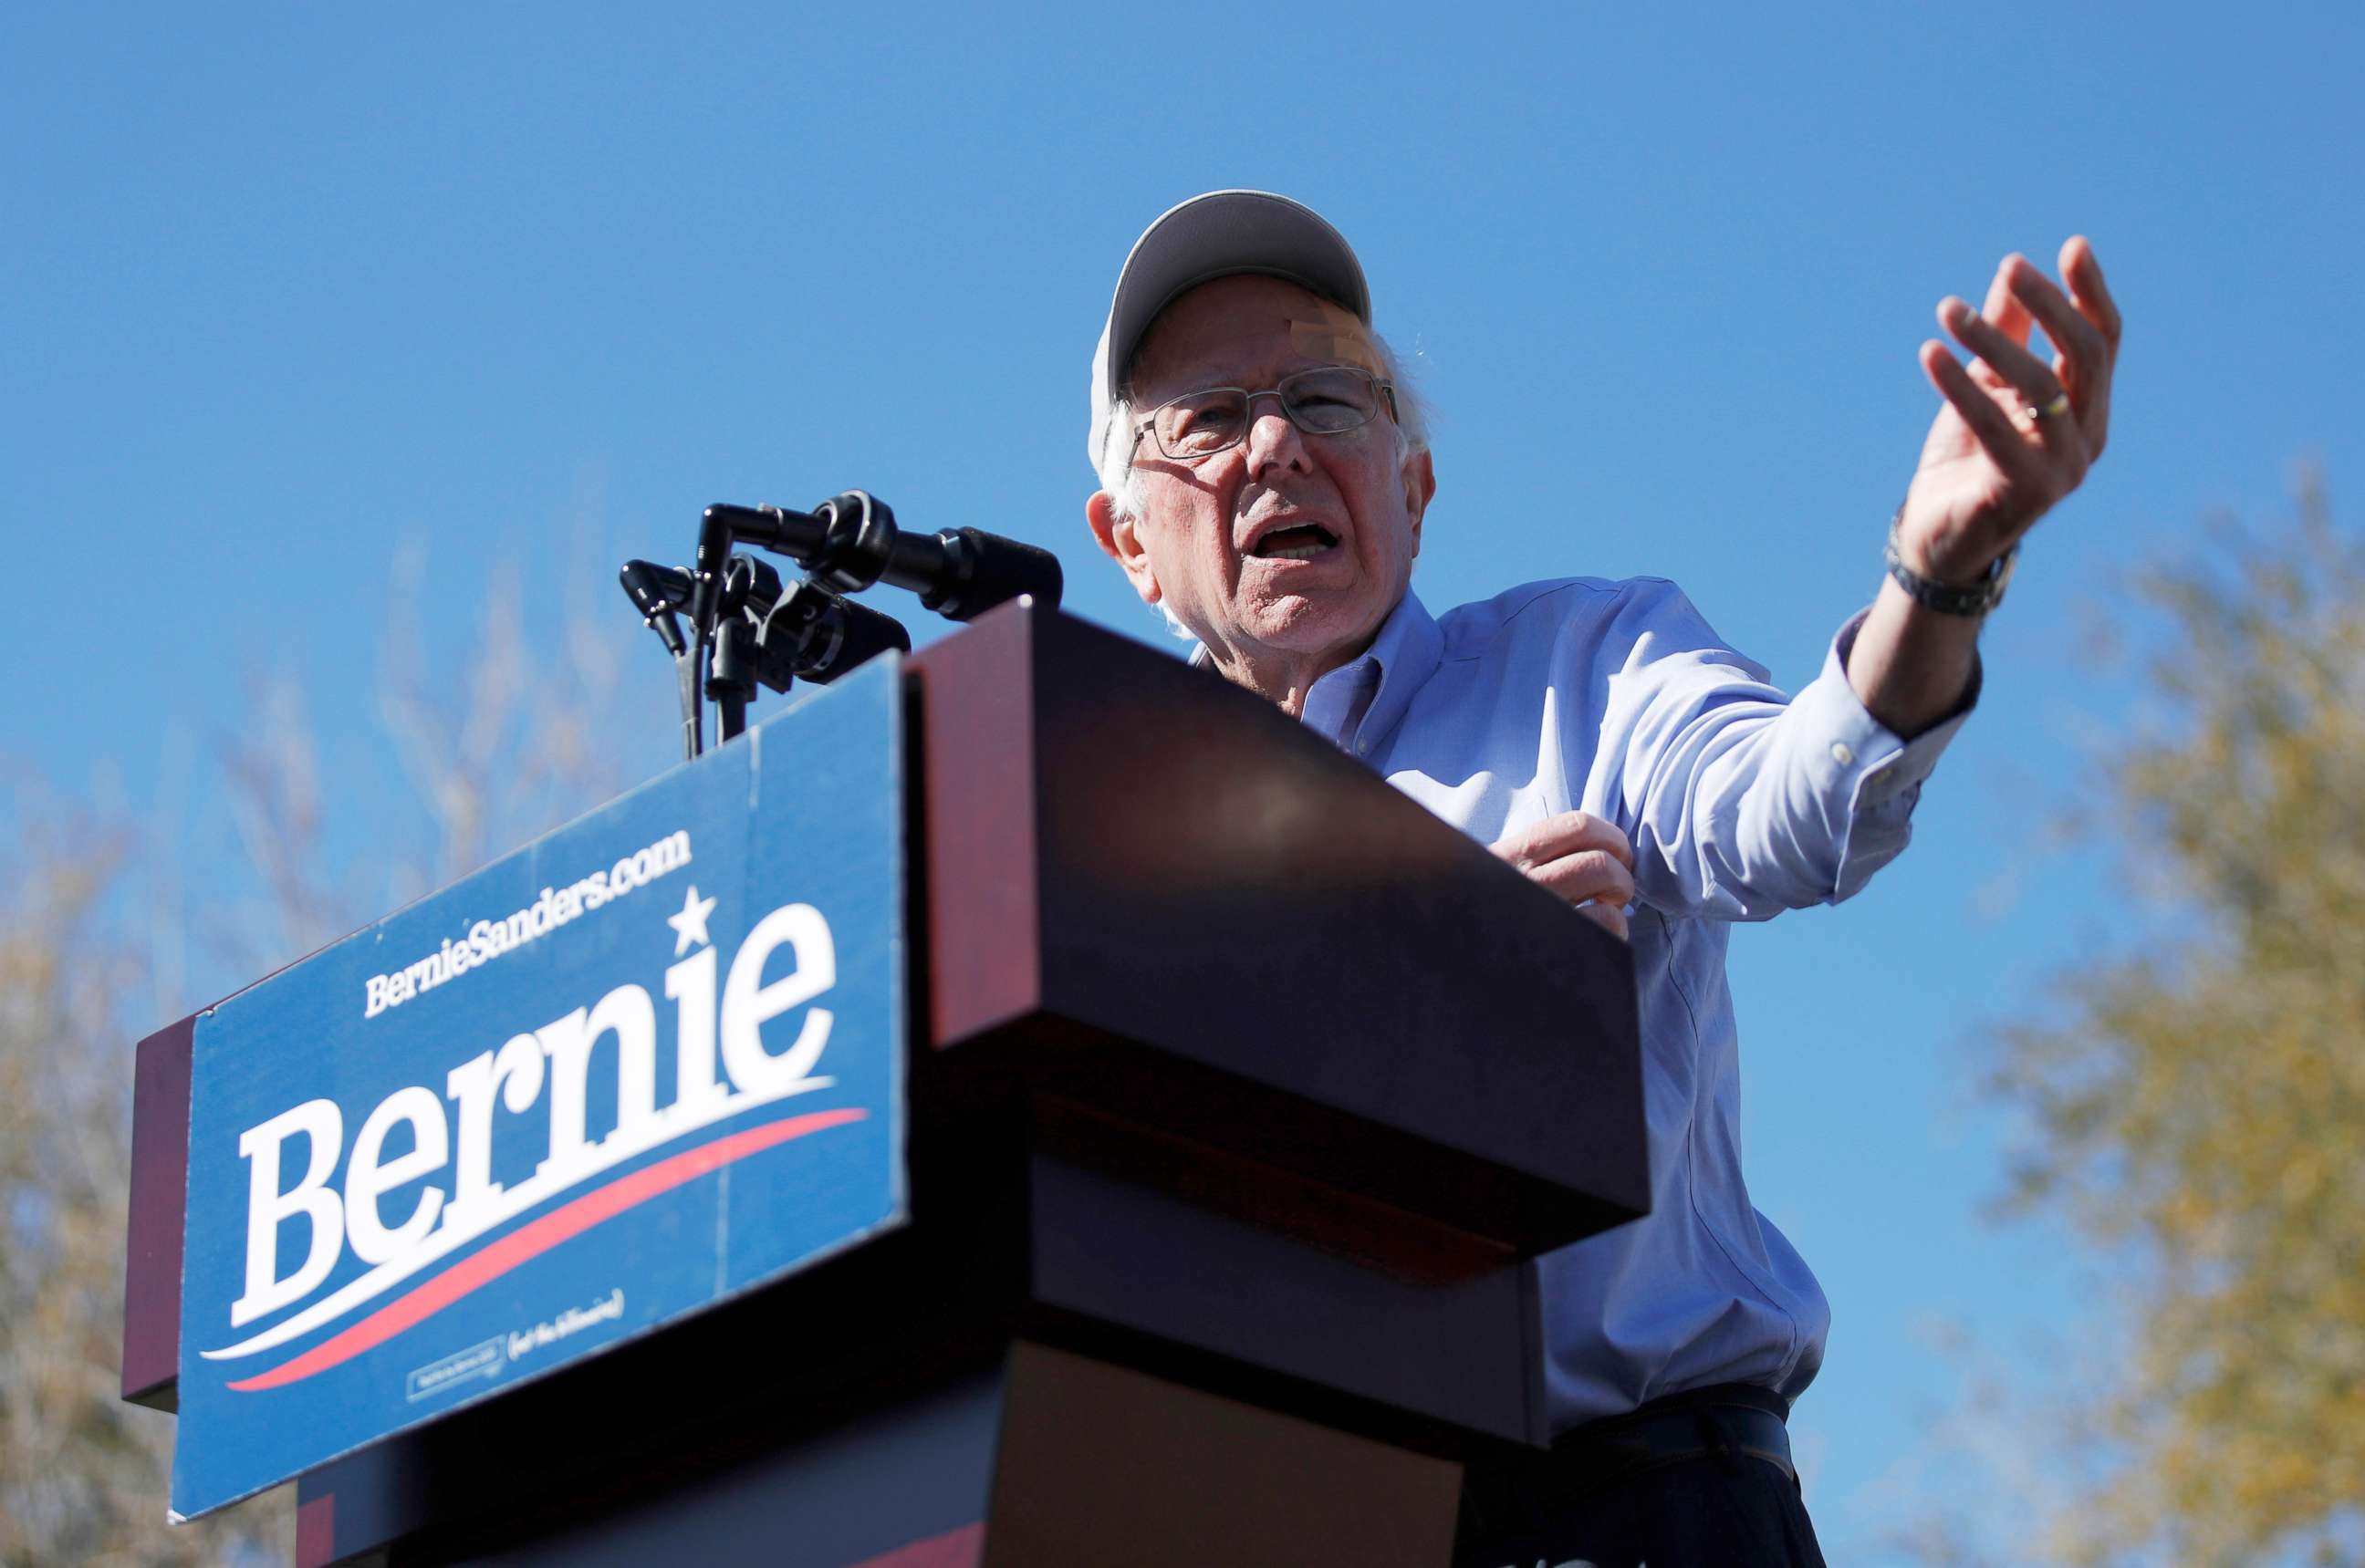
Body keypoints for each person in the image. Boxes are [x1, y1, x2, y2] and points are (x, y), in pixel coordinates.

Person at [1079, 191, 2120, 1567]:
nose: (1276, 443)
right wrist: (1410, 975)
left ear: (1413, 485)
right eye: (1208, 419)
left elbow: (1794, 812)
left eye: (1331, 400)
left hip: (1648, 1512)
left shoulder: (1589, 665)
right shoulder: (1099, 856)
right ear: (1127, 541)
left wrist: (1936, 581)